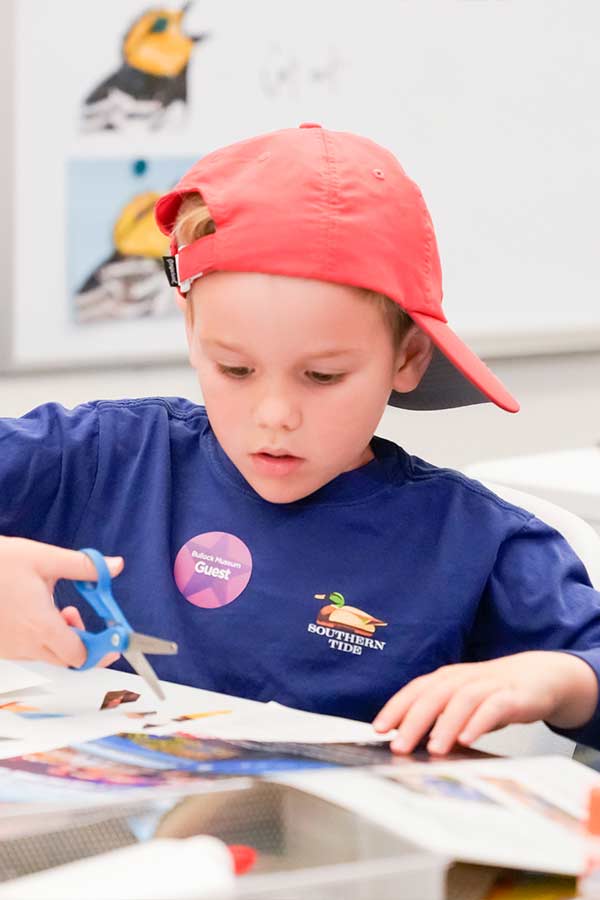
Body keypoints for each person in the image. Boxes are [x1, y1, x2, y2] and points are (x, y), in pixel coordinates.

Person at [2, 124, 599, 757]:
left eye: (322, 376)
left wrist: (558, 678)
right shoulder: (103, 457)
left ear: (408, 356)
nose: (275, 414)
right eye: (234, 368)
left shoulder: (473, 541)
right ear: (192, 330)